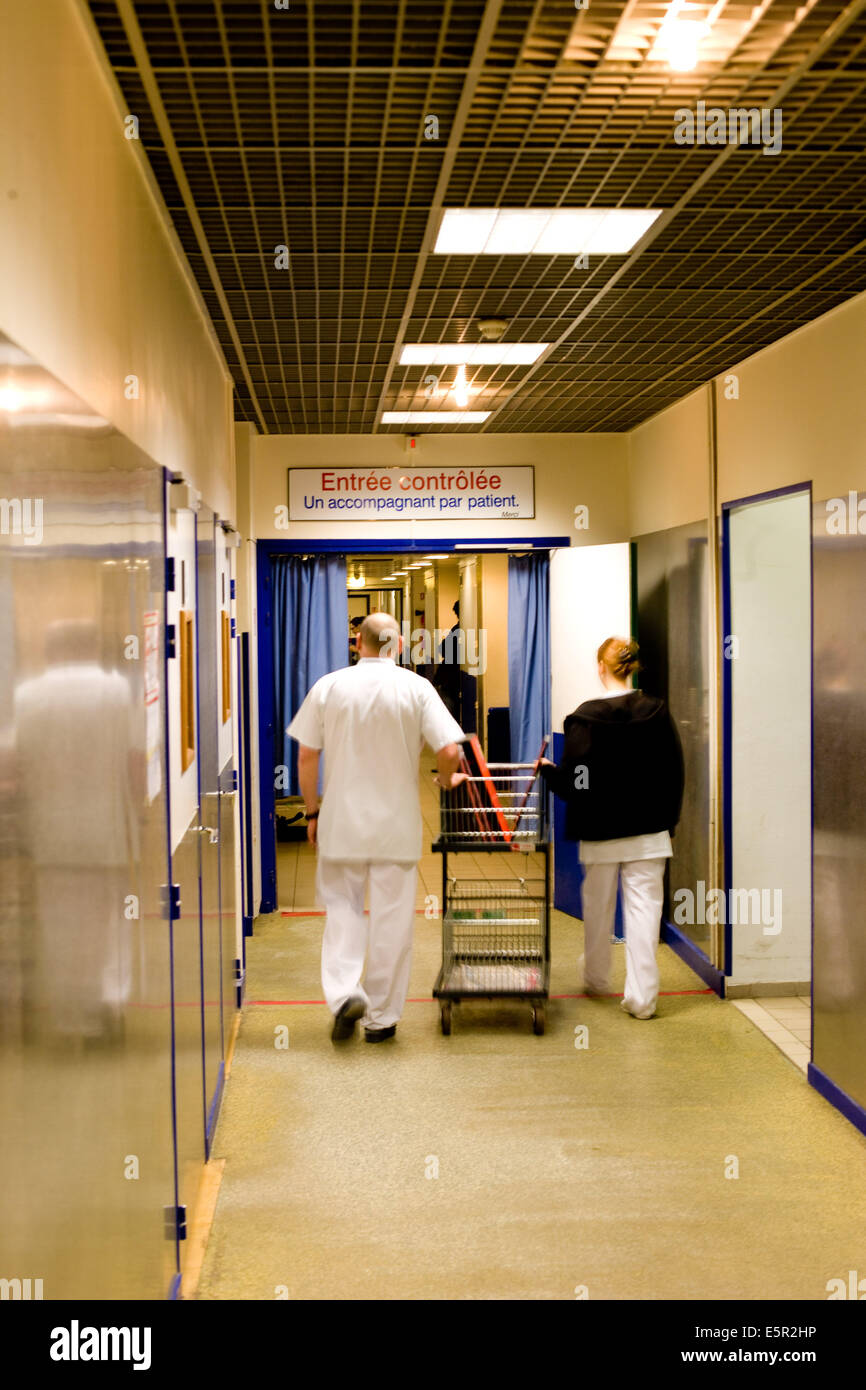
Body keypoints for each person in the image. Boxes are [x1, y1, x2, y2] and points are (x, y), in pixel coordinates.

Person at [288, 612, 465, 1043]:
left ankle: (345, 993)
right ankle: (381, 1019)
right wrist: (443, 780)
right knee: (392, 920)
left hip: (342, 824)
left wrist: (311, 812)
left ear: (358, 644)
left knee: (344, 912)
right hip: (396, 827)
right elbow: (449, 749)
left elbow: (307, 756)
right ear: (398, 646)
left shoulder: (329, 686)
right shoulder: (416, 687)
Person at [540, 636, 684, 1020]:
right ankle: (642, 1000)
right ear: (632, 666)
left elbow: (578, 781)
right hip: (649, 833)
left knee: (599, 908)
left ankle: (596, 977)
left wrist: (552, 775)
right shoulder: (657, 711)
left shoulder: (586, 718)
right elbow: (673, 772)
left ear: (600, 667)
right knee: (643, 916)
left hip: (600, 831)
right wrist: (668, 822)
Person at [433, 600, 461, 719]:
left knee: (449, 712)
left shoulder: (457, 629)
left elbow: (442, 649)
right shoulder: (459, 629)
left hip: (450, 676)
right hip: (451, 677)